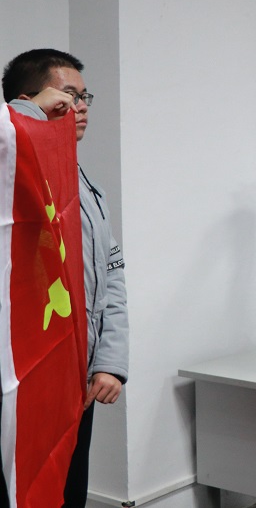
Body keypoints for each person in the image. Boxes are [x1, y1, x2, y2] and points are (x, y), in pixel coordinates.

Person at [2, 49, 129, 507]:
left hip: (77, 374)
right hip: (25, 377)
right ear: (27, 101)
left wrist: (110, 361)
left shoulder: (85, 187)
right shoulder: (11, 175)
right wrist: (29, 116)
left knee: (69, 490)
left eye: (84, 96)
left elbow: (112, 277)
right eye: (69, 95)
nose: (82, 107)